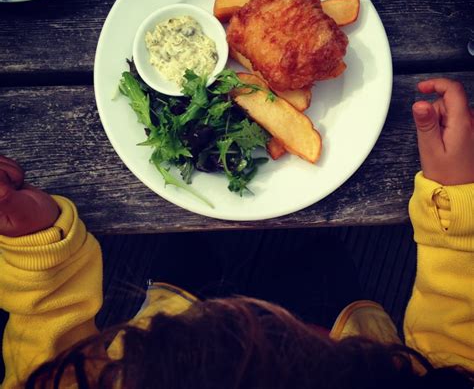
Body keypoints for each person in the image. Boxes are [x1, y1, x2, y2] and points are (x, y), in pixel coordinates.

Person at [0, 78, 473, 388]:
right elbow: (460, 351)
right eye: (295, 342)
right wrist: (457, 211)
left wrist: (39, 257)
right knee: (315, 250)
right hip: (339, 314)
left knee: (190, 245)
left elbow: (40, 371)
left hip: (177, 299)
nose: (252, 314)